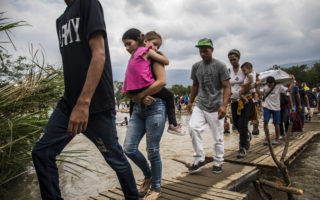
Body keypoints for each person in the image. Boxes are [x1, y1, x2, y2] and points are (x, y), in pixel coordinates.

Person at [31, 1, 139, 200]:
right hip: (68, 104)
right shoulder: (61, 20)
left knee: (115, 158)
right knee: (41, 153)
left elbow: (99, 54)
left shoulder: (88, 4)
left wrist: (83, 103)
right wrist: (76, 103)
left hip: (95, 104)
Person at [121, 28, 168, 200]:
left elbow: (162, 81)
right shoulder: (133, 58)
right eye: (125, 45)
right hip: (139, 110)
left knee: (152, 150)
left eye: (129, 43)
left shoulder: (151, 56)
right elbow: (127, 89)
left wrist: (140, 95)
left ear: (140, 40)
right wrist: (137, 98)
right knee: (129, 148)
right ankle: (148, 175)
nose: (126, 48)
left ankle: (156, 188)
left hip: (155, 108)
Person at [122, 30, 184, 136]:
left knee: (133, 102)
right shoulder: (147, 51)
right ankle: (173, 124)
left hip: (132, 89)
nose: (155, 48)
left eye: (158, 47)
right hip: (145, 85)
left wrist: (138, 96)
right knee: (169, 96)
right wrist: (161, 53)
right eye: (155, 44)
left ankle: (132, 123)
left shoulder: (132, 56)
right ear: (145, 41)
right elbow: (166, 62)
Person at [187, 38, 231, 174]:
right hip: (200, 104)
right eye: (201, 51)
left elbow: (227, 87)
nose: (203, 54)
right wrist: (190, 101)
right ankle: (200, 159)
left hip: (216, 107)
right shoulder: (196, 66)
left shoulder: (220, 66)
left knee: (217, 137)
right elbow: (195, 85)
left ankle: (218, 162)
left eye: (205, 51)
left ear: (212, 50)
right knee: (193, 128)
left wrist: (224, 106)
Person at [228, 49, 253, 158]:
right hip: (234, 100)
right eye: (230, 60)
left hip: (245, 100)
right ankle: (246, 136)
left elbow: (255, 80)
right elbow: (227, 85)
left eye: (234, 59)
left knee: (243, 124)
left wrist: (249, 87)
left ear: (238, 58)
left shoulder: (244, 70)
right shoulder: (228, 71)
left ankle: (242, 148)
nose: (232, 61)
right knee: (236, 124)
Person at [257, 76, 295, 145]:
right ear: (267, 83)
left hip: (276, 108)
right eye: (269, 84)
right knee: (265, 122)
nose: (270, 86)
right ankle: (267, 138)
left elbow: (289, 90)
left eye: (271, 85)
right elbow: (260, 94)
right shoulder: (265, 87)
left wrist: (292, 81)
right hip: (267, 107)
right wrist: (257, 86)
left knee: (276, 124)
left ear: (274, 83)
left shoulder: (279, 86)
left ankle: (277, 138)